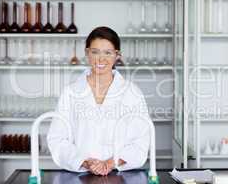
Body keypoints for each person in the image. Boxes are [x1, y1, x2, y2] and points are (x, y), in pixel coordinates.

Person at [47, 26, 150, 176]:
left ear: (117, 55)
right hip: (80, 174)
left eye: (108, 53)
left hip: (120, 175)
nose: (101, 59)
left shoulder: (132, 92)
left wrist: (110, 163)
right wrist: (85, 162)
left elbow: (141, 140)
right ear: (87, 53)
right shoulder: (70, 92)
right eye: (95, 52)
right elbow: (57, 138)